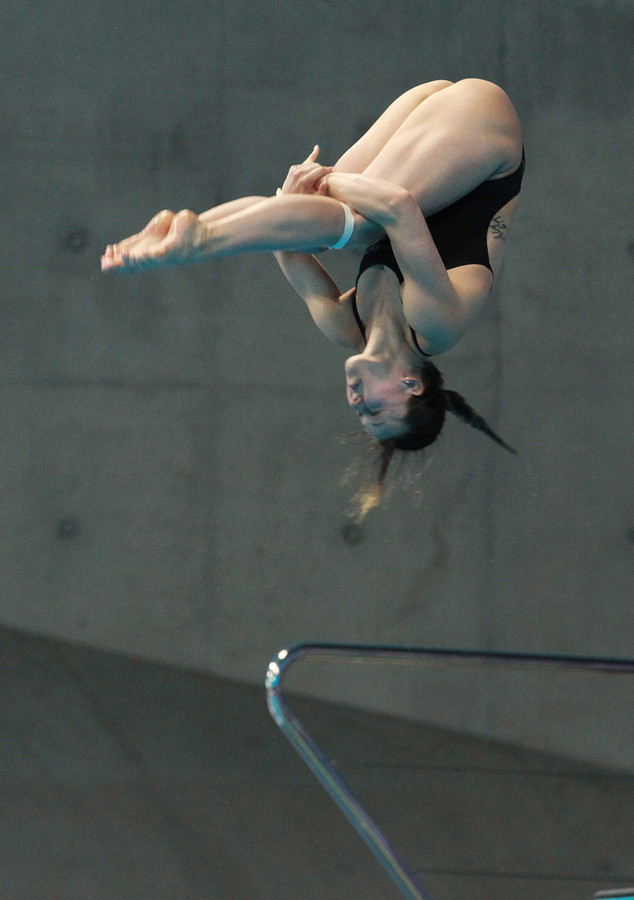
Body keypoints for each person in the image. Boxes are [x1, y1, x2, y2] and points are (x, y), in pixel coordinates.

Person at [102, 78, 525, 521]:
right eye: (375, 410)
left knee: (324, 228)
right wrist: (321, 190)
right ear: (411, 385)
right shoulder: (434, 325)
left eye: (360, 415)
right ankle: (194, 242)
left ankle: (177, 237)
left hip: (429, 110)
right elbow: (398, 206)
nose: (357, 404)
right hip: (485, 124)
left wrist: (291, 197)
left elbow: (284, 243)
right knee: (357, 225)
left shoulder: (345, 326)